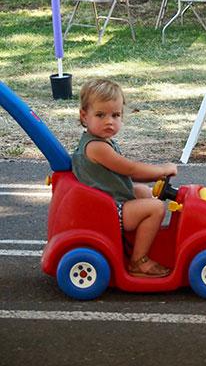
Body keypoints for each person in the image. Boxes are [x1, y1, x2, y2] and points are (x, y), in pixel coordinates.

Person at [72, 79, 177, 278]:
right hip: (107, 211)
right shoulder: (97, 148)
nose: (109, 121)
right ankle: (138, 260)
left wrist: (153, 176)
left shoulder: (102, 142)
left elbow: (125, 175)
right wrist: (161, 170)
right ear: (84, 116)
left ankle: (139, 241)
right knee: (155, 208)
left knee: (144, 192)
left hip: (109, 201)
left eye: (115, 115)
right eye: (100, 115)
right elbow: (131, 170)